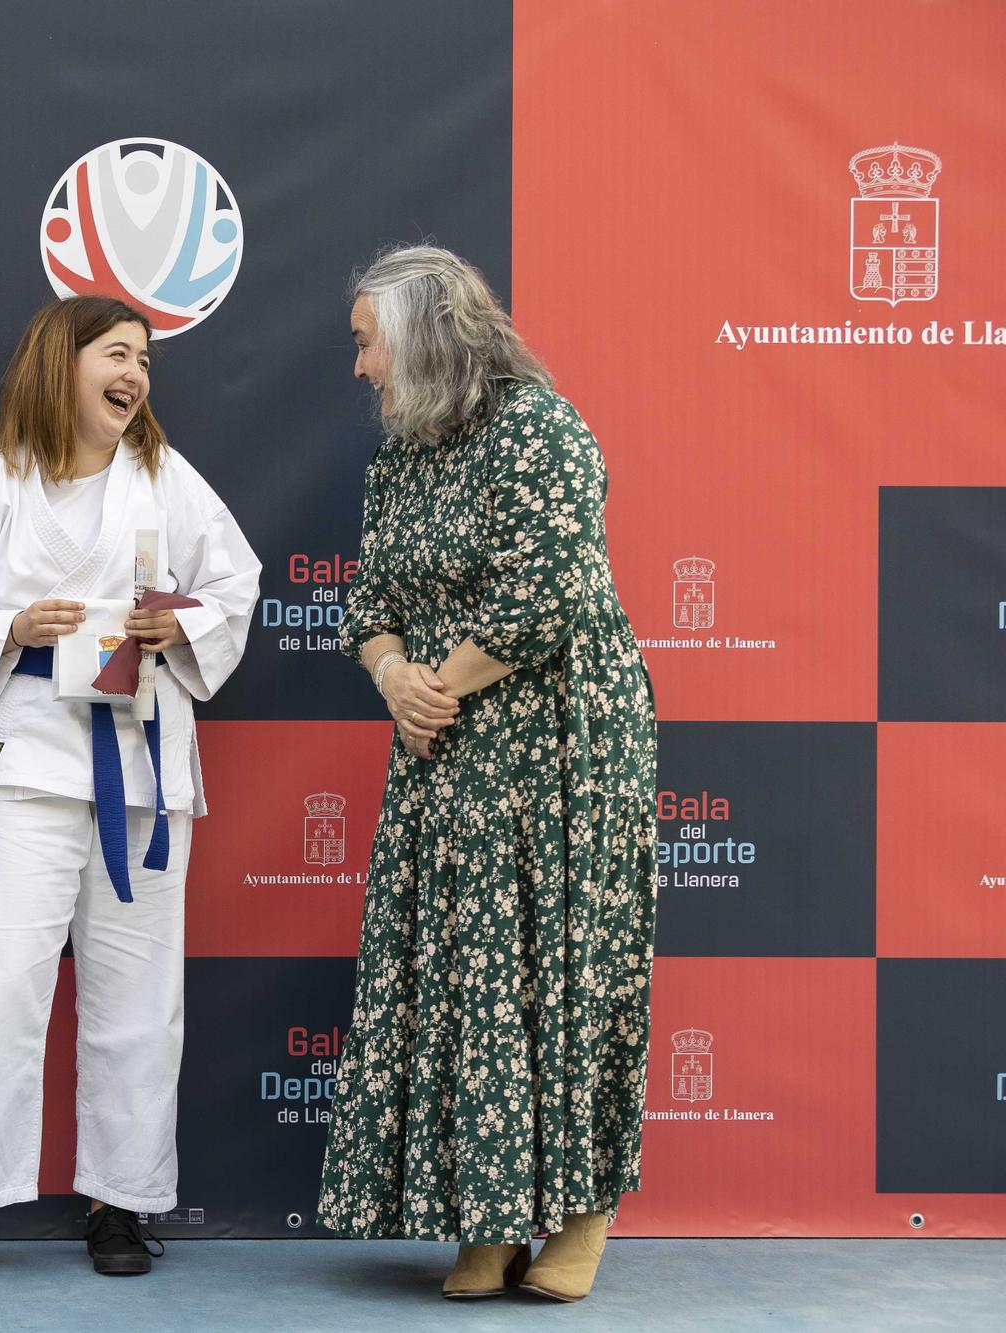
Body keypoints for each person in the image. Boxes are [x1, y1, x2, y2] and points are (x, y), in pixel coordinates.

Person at [0, 296, 260, 1279]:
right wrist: (10, 630)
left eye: (143, 359)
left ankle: (119, 1201)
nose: (134, 374)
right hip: (25, 775)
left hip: (139, 778)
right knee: (2, 982)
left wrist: (174, 628)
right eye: (116, 354)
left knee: (138, 997)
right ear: (63, 363)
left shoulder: (166, 480)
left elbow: (235, 585)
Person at [315, 245, 658, 1303]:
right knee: (465, 974)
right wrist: (391, 677)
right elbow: (364, 600)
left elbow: (548, 591)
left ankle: (576, 1210)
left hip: (558, 741)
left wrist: (436, 685)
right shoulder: (403, 455)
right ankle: (489, 1212)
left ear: (420, 337)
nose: (359, 370)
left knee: (559, 965)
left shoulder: (539, 430)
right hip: (441, 746)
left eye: (367, 345)